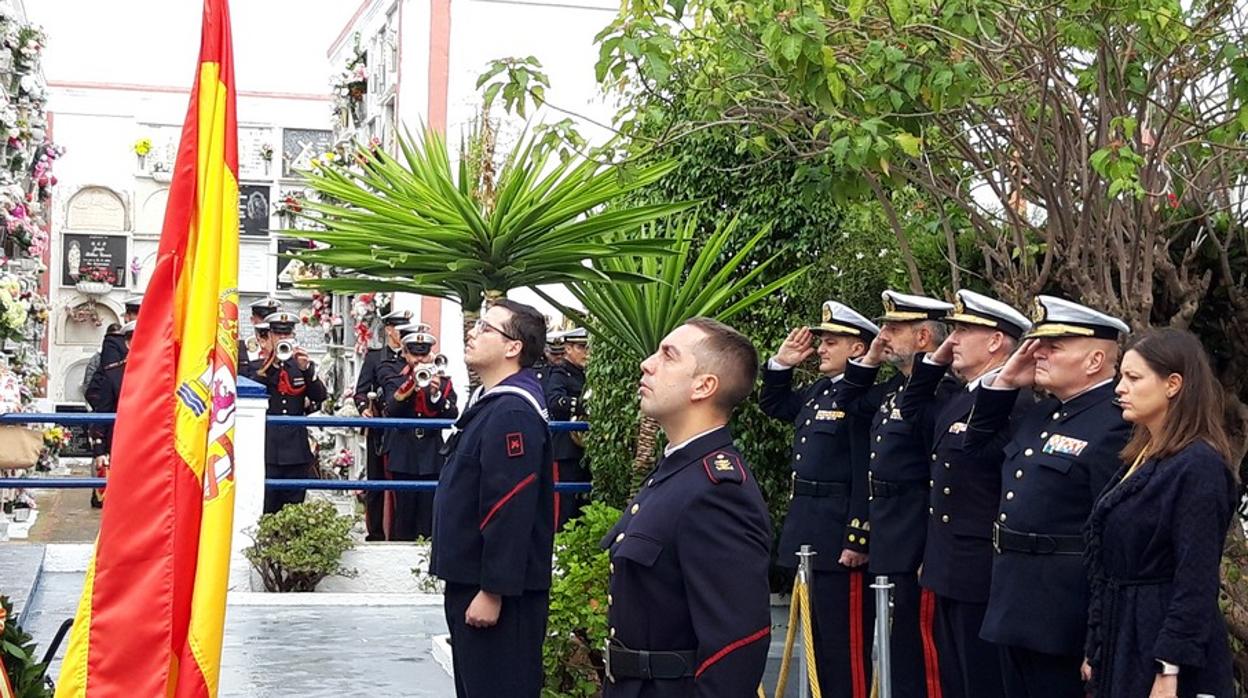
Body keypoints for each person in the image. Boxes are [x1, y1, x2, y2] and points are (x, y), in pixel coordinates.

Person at [968, 296, 1133, 698]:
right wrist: (1004, 382)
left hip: (1063, 616)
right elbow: (975, 448)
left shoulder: (1115, 424)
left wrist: (1098, 635)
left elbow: (1114, 540)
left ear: (1095, 360)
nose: (1037, 352)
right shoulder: (1042, 415)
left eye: (1053, 347)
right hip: (1014, 603)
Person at [603, 317, 772, 697]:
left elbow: (735, 646)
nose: (648, 363)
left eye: (668, 356)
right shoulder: (677, 472)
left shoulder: (717, 490)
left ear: (704, 386)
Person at [1083, 328, 1237, 698]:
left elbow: (1195, 577)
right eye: (1121, 376)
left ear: (1173, 384)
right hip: (1126, 635)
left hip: (1159, 647)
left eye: (1134, 378)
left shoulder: (1199, 465)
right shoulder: (1143, 453)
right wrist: (1096, 643)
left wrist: (1170, 668)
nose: (1120, 388)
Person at [897, 290, 1032, 698]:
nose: (952, 339)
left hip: (981, 568)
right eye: (952, 329)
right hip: (947, 562)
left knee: (982, 679)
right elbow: (912, 409)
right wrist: (934, 360)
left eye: (963, 330)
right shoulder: (960, 397)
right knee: (955, 677)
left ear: (995, 341)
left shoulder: (1015, 404)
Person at [430, 299, 554, 698]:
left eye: (486, 328)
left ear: (513, 347)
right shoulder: (492, 404)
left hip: (496, 593)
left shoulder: (513, 413)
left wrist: (493, 591)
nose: (473, 332)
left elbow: (509, 506)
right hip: (474, 581)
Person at [837, 290, 954, 698]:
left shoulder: (942, 393)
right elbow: (845, 401)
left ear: (923, 337)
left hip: (917, 530)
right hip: (888, 528)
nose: (883, 335)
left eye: (893, 328)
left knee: (922, 646)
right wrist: (869, 359)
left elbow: (943, 477)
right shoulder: (892, 390)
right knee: (897, 643)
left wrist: (930, 548)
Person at [760, 301, 878, 697]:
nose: (822, 349)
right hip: (806, 530)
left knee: (843, 649)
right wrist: (782, 363)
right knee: (814, 644)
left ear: (858, 350)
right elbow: (774, 405)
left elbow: (865, 472)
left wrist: (856, 536)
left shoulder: (861, 400)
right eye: (822, 341)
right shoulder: (818, 391)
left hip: (837, 536)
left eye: (832, 342)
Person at [379, 327, 458, 540]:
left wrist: (436, 395)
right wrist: (412, 385)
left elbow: (452, 414)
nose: (420, 359)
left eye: (424, 354)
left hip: (431, 453)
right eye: (415, 354)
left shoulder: (443, 381)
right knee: (404, 514)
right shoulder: (396, 379)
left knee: (429, 511)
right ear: (405, 354)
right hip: (403, 451)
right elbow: (391, 409)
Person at [255, 311, 327, 514]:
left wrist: (306, 370)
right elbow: (255, 388)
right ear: (268, 337)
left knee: (294, 508)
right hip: (268, 449)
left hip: (296, 451)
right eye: (278, 335)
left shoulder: (300, 366)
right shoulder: (258, 368)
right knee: (268, 507)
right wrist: (272, 363)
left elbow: (319, 397)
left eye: (287, 335)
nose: (283, 339)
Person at [352, 308, 413, 540]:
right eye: (399, 328)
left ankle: (400, 530)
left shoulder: (417, 356)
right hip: (381, 429)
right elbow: (361, 392)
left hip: (405, 428)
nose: (404, 332)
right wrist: (364, 409)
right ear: (389, 330)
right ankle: (376, 531)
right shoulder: (376, 357)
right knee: (377, 480)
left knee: (404, 484)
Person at [84, 321, 134, 508]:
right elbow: (102, 412)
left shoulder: (160, 373)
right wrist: (99, 450)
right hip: (119, 442)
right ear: (127, 344)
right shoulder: (113, 374)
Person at [547, 326, 590, 528]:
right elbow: (554, 400)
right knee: (565, 503)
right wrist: (584, 405)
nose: (586, 353)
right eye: (581, 347)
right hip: (565, 447)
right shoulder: (560, 373)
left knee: (584, 501)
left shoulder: (587, 374)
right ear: (568, 349)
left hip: (585, 447)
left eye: (588, 347)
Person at [240, 297, 282, 381]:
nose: (268, 322)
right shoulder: (242, 346)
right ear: (252, 320)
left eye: (272, 318)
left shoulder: (283, 344)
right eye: (263, 318)